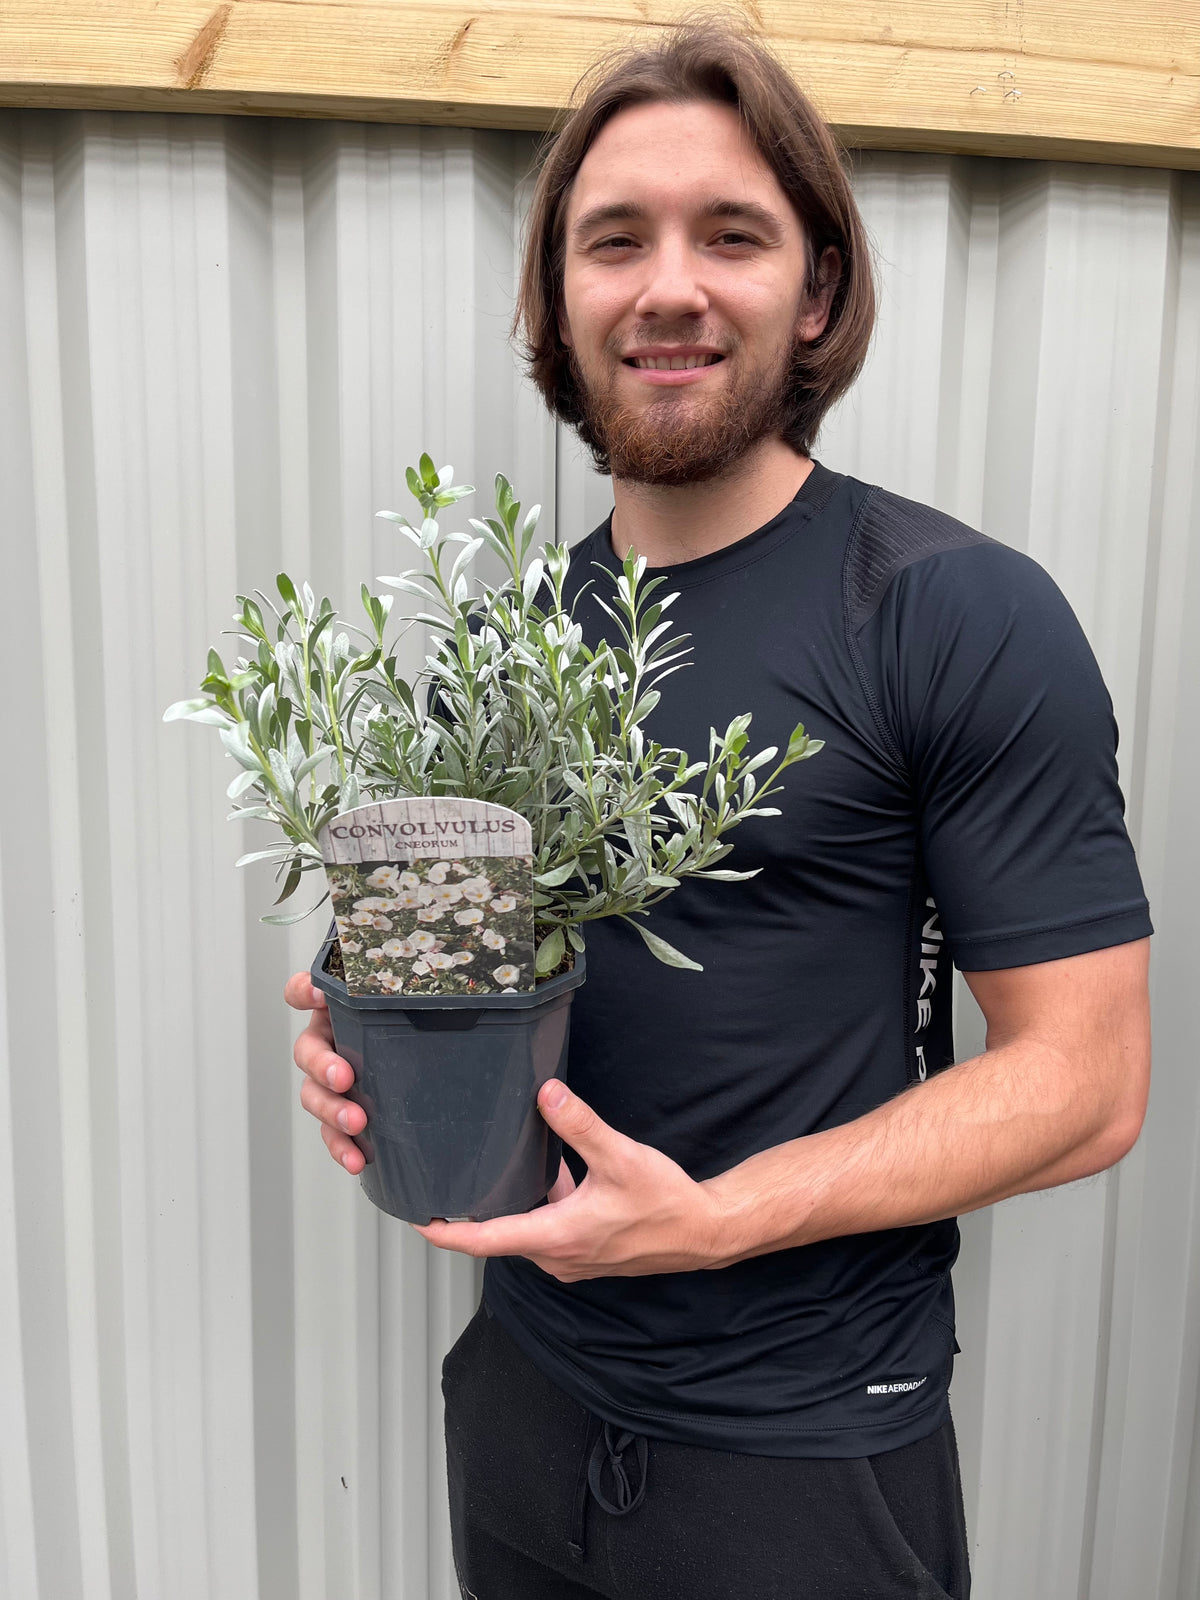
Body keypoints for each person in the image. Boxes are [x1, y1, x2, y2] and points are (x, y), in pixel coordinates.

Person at [285, 22, 1152, 1600]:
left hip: (802, 1458)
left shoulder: (953, 612)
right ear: (559, 296)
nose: (668, 286)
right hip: (523, 1407)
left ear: (813, 291)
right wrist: (375, 1043)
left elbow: (1088, 1084)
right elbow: (485, 987)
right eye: (614, 241)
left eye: (731, 235)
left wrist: (720, 1220)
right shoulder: (515, 649)